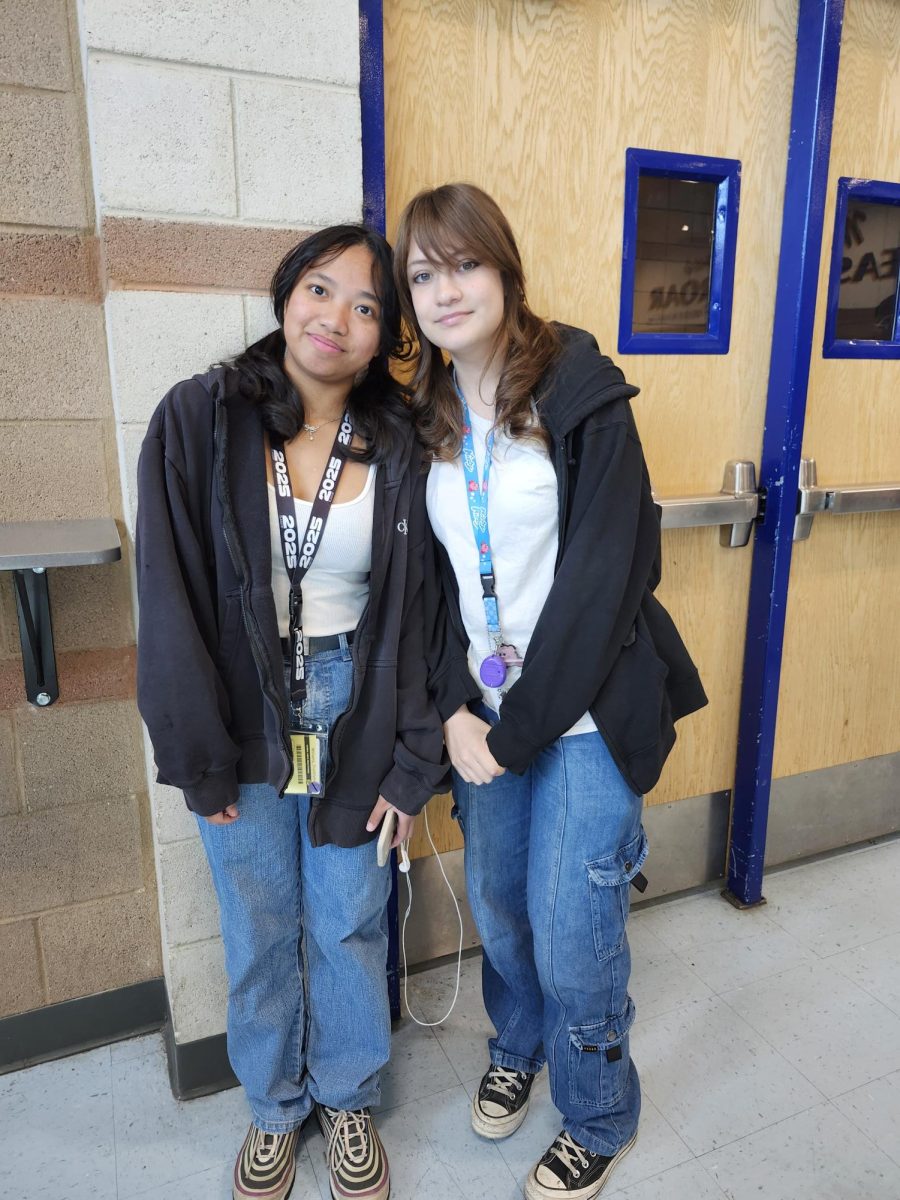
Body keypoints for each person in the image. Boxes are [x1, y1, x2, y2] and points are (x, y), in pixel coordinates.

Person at [393, 184, 708, 1200]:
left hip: (576, 718)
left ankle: (601, 1112)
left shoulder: (576, 387)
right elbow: (434, 588)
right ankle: (516, 1048)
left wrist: (515, 729)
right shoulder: (430, 416)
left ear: (505, 268)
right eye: (423, 275)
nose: (446, 291)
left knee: (573, 933)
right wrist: (451, 707)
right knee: (502, 907)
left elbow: (609, 578)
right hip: (482, 720)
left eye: (464, 265)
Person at [136, 225, 447, 1200]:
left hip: (355, 695)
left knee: (350, 916)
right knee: (259, 916)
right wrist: (198, 755)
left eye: (366, 307)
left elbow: (427, 615)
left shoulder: (399, 445)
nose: (337, 319)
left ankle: (348, 1096)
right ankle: (273, 1107)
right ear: (285, 297)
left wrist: (411, 760)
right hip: (238, 702)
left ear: (384, 338)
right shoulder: (199, 417)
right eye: (322, 289)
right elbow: (168, 593)